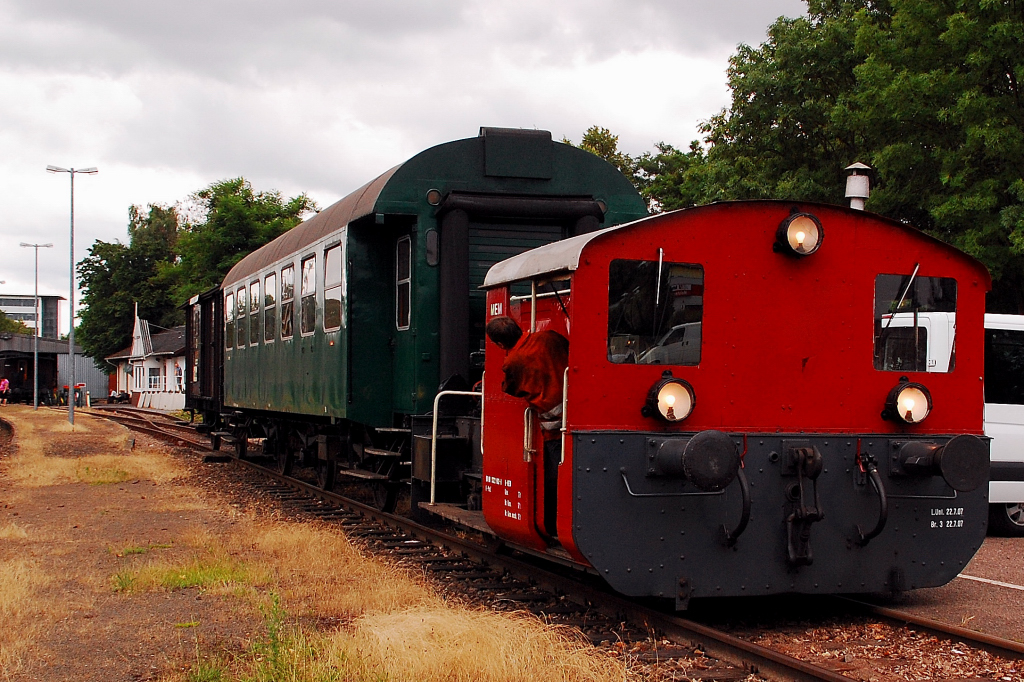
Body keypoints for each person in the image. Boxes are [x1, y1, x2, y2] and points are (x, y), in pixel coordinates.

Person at [485, 315, 569, 539]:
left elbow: (511, 388)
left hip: (553, 427)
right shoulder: (549, 338)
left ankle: (552, 527)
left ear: (500, 344)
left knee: (553, 476)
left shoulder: (512, 362)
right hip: (581, 411)